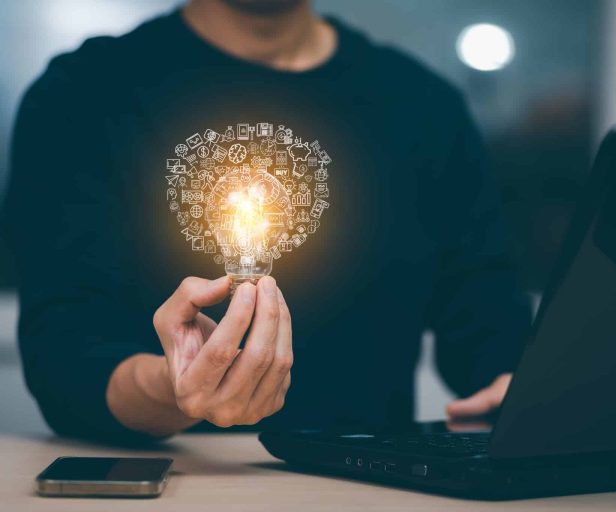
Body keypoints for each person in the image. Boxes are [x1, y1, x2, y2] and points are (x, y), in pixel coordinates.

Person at [5, 0, 531, 442]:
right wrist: (175, 387)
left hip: (367, 485)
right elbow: (66, 356)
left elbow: (486, 318)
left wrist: (523, 389)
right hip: (176, 483)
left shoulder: (424, 107)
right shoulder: (85, 95)